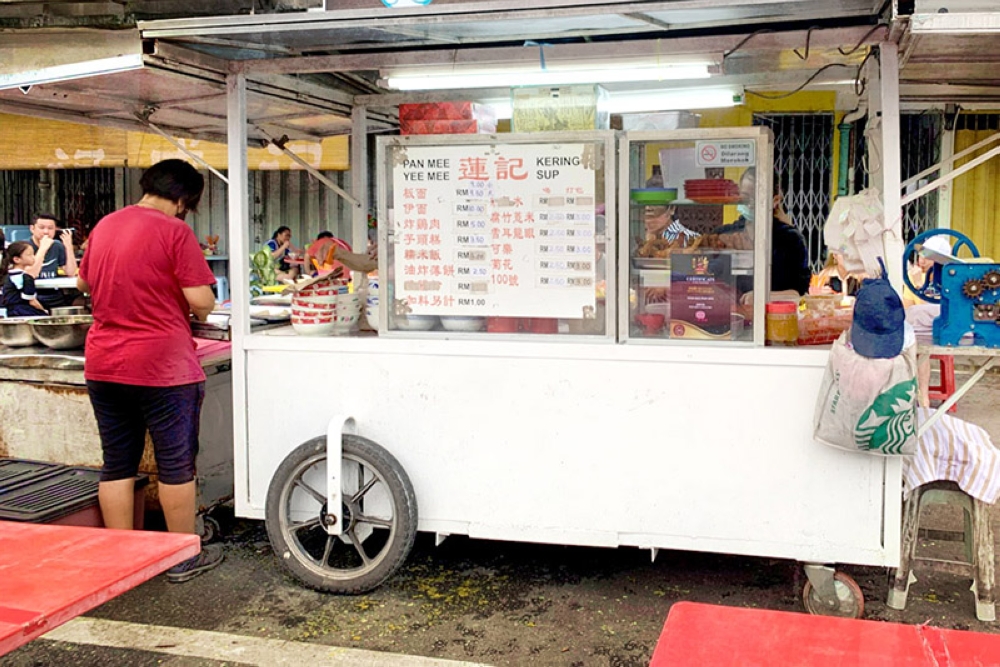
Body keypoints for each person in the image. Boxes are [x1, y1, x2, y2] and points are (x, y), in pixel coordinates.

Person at [77, 159, 223, 583]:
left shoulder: (105, 224)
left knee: (117, 463)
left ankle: (124, 560)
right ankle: (181, 558)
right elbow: (203, 302)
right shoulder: (175, 231)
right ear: (183, 200)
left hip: (104, 363)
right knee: (176, 463)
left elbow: (83, 284)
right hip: (162, 367)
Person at [718, 168, 811, 305]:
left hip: (774, 320)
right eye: (744, 197)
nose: (748, 203)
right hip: (730, 320)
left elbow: (798, 294)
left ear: (775, 200)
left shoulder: (791, 240)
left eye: (755, 198)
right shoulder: (725, 235)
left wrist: (762, 297)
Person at [26, 213, 78, 309]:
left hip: (54, 294)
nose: (46, 232)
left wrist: (68, 246)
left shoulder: (57, 245)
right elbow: (30, 274)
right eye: (41, 228)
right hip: (32, 296)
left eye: (50, 228)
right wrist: (43, 248)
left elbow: (71, 273)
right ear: (32, 229)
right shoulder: (24, 246)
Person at [1, 241, 48, 317]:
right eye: (29, 255)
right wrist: (44, 311)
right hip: (22, 312)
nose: (33, 257)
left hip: (12, 312)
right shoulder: (25, 277)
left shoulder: (8, 275)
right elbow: (32, 301)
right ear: (17, 259)